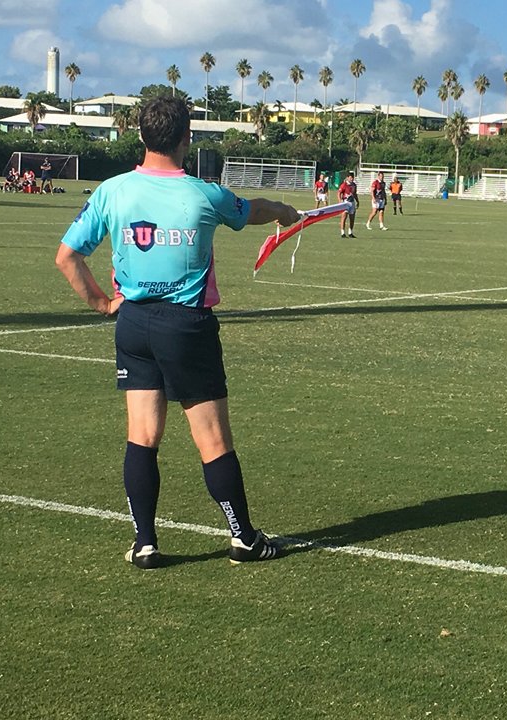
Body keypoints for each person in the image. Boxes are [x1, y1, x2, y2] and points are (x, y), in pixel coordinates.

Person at [55, 96, 301, 569]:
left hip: (133, 324)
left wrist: (105, 305)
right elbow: (252, 210)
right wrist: (284, 211)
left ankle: (144, 542)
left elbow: (67, 256)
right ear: (187, 138)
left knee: (142, 436)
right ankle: (243, 539)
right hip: (186, 327)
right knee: (212, 440)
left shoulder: (113, 191)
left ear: (142, 136)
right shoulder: (204, 194)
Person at [338, 171, 358, 237]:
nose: (352, 179)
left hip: (352, 202)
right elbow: (339, 193)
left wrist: (357, 201)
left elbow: (355, 194)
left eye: (353, 177)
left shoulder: (354, 185)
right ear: (347, 178)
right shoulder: (344, 185)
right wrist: (340, 200)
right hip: (345, 202)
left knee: (352, 218)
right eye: (350, 177)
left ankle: (350, 232)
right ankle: (342, 232)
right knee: (344, 216)